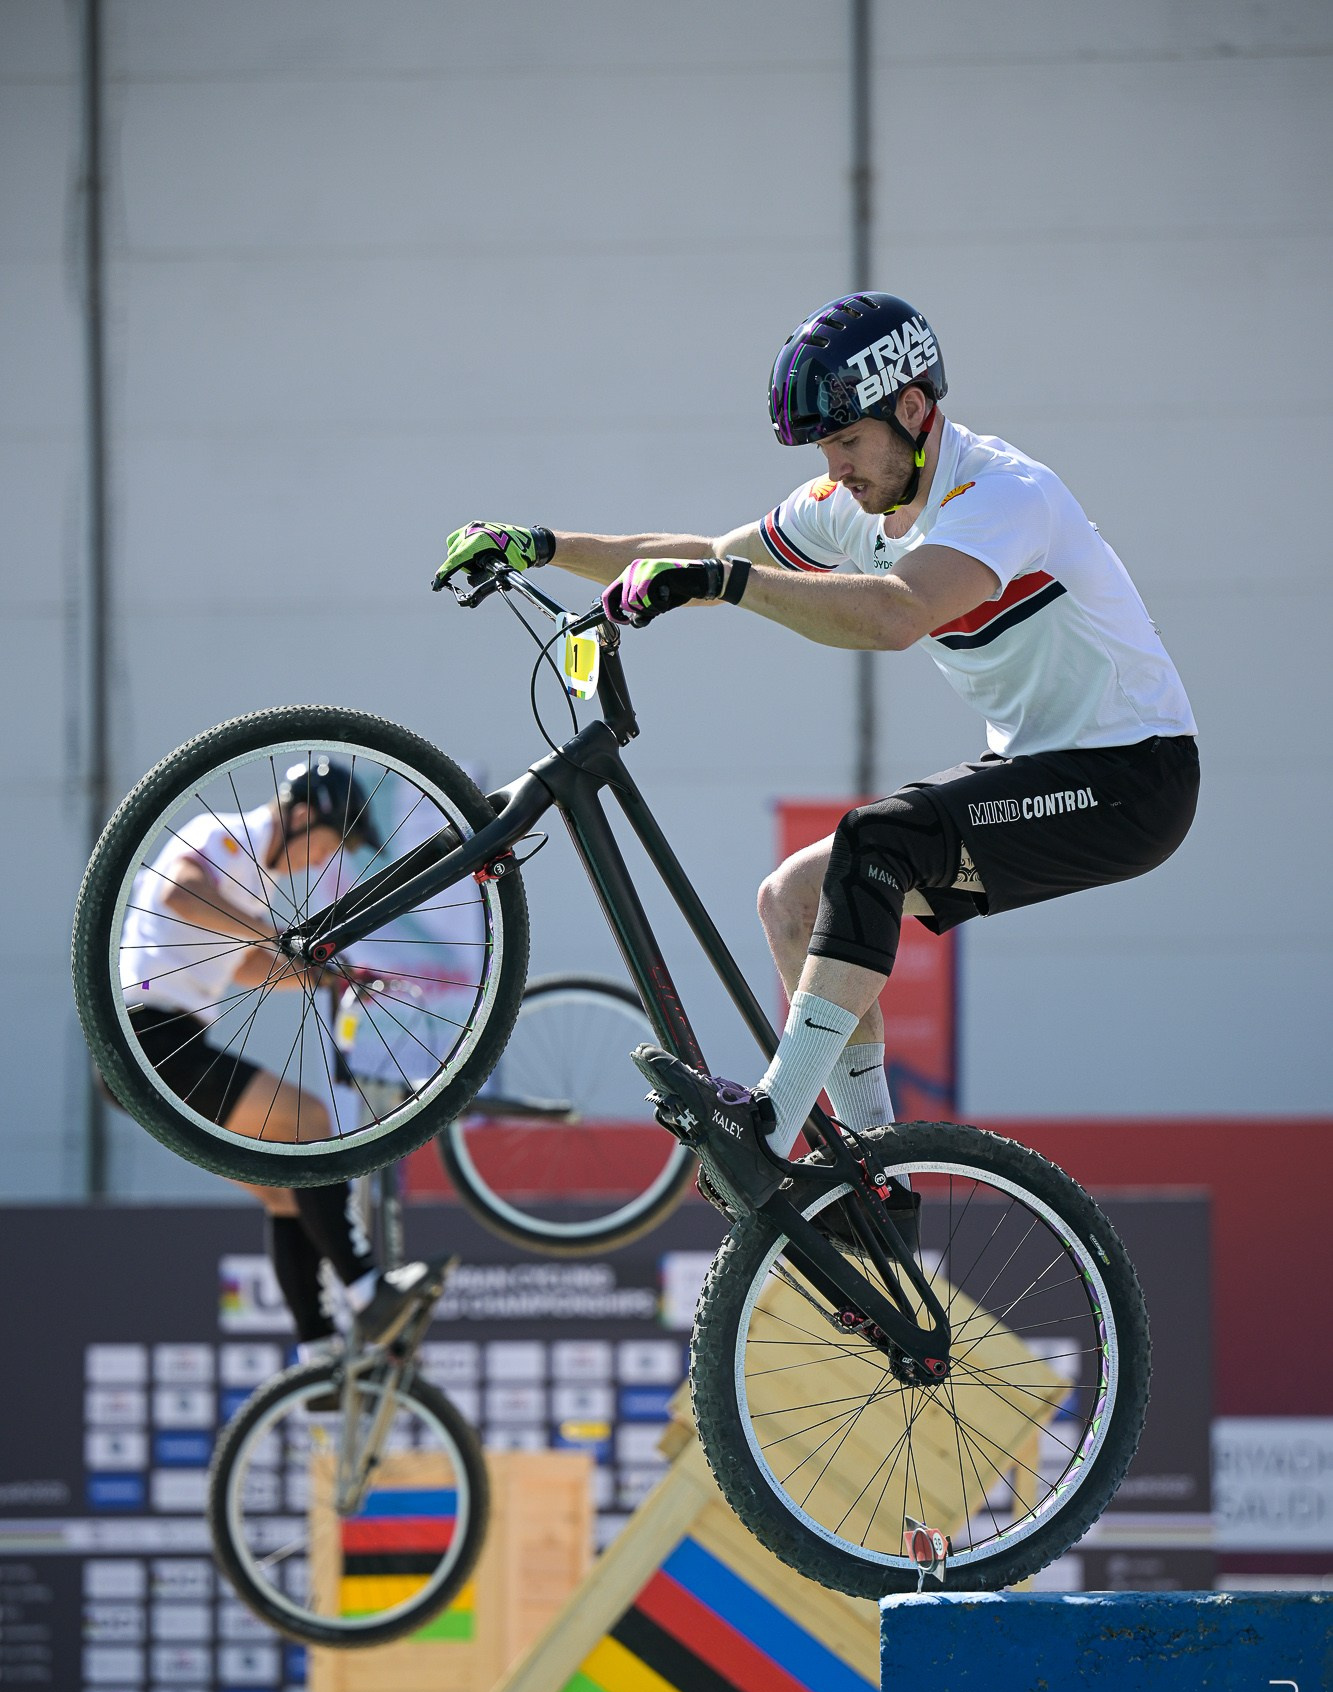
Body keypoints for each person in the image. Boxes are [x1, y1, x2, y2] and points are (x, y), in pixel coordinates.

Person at [432, 291, 1199, 1209]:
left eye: (845, 443)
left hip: (1131, 777)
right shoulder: (857, 502)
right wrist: (546, 545)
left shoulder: (1001, 497)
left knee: (879, 842)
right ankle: (879, 1183)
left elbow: (895, 614)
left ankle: (770, 1123)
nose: (833, 472)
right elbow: (704, 557)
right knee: (793, 899)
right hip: (1041, 764)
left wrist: (721, 578)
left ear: (912, 412)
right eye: (822, 453)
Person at [115, 757, 447, 1341]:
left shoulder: (258, 888)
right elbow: (181, 892)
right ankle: (368, 1289)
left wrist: (330, 976)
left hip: (170, 1042)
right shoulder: (222, 834)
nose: (327, 858)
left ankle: (316, 1349)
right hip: (150, 1037)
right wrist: (278, 935)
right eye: (330, 841)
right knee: (311, 1120)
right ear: (300, 815)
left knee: (290, 1195)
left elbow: (245, 965)